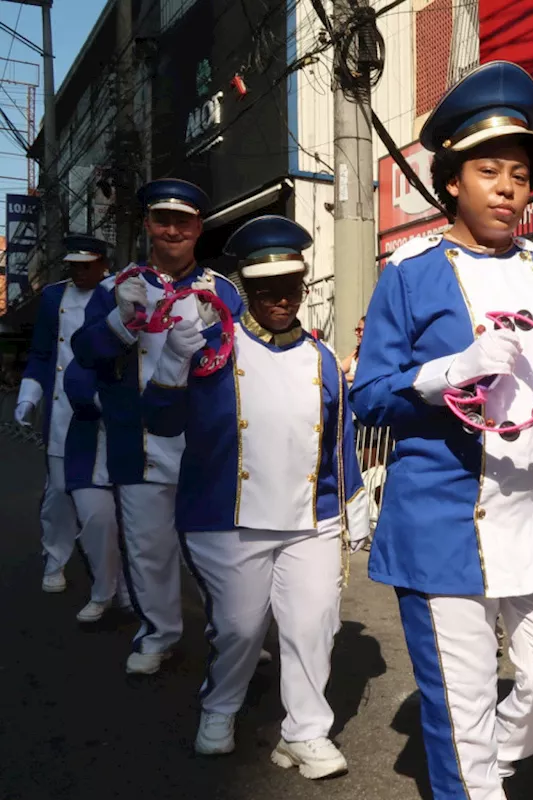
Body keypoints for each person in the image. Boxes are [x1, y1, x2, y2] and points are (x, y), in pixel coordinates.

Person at [350, 61, 533, 800]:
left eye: (519, 174)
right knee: (461, 705)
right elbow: (368, 397)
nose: (509, 188)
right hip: (446, 519)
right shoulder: (410, 272)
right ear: (452, 180)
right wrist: (443, 373)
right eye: (489, 171)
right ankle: (470, 768)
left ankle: (481, 749)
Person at [140, 215, 368, 773]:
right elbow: (162, 421)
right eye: (267, 290)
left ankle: (306, 731)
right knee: (240, 629)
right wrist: (172, 362)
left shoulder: (321, 358)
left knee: (314, 623)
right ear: (245, 288)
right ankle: (219, 707)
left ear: (303, 285)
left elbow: (338, 441)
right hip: (226, 517)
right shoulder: (209, 349)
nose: (281, 299)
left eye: (291, 287)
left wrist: (355, 501)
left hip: (309, 518)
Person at [71, 178, 246, 674]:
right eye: (162, 219)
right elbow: (84, 355)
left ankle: (233, 637)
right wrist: (121, 322)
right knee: (149, 549)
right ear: (148, 223)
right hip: (139, 441)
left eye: (183, 221)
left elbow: (239, 365)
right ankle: (158, 633)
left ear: (199, 227)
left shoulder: (224, 291)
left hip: (204, 445)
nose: (172, 230)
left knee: (219, 556)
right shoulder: (115, 288)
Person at [15, 235, 120, 618]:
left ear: (102, 264)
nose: (78, 271)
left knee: (107, 502)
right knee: (59, 492)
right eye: (73, 265)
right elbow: (43, 352)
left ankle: (114, 577)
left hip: (106, 413)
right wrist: (30, 394)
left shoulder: (117, 294)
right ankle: (55, 557)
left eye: (86, 265)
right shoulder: (53, 297)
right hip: (63, 413)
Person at [341, 316, 363, 384]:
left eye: (359, 330)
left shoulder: (377, 354)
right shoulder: (356, 352)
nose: (356, 333)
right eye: (356, 330)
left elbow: (367, 377)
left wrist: (346, 378)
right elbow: (339, 370)